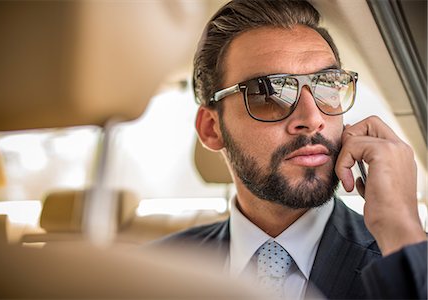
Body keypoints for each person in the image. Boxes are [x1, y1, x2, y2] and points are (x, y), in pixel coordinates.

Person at [154, 1, 427, 299]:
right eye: (268, 91)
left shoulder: (404, 255)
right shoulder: (150, 273)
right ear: (211, 128)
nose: (313, 119)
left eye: (327, 84)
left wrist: (402, 232)